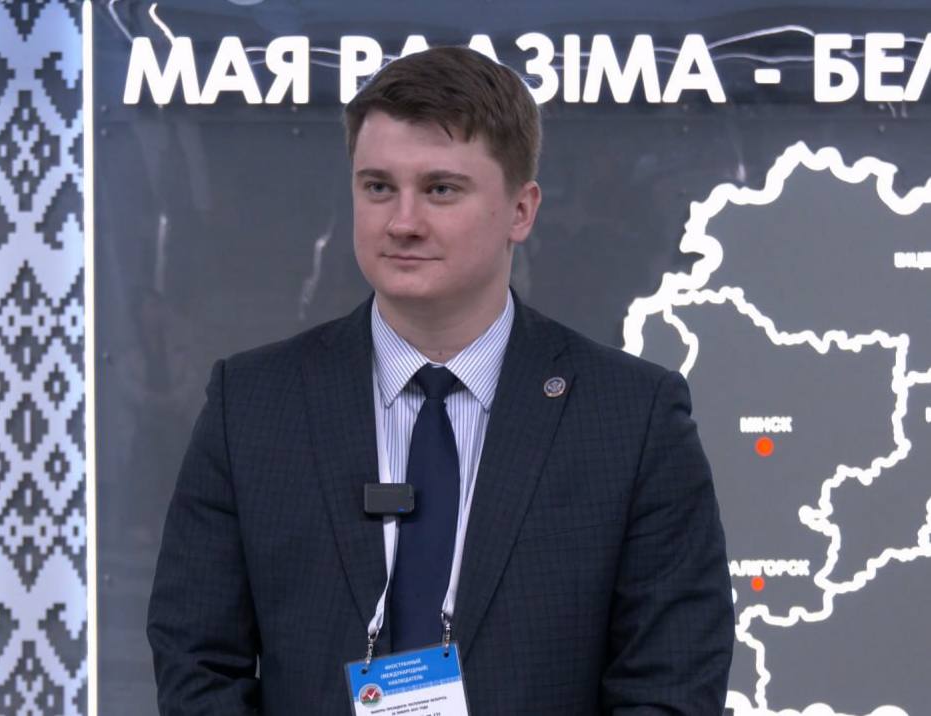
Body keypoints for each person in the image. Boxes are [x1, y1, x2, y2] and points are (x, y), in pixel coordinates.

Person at [147, 46, 734, 714]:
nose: (402, 222)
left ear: (521, 210)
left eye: (440, 189)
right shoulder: (252, 405)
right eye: (378, 187)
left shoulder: (632, 418)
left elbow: (670, 681)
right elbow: (197, 662)